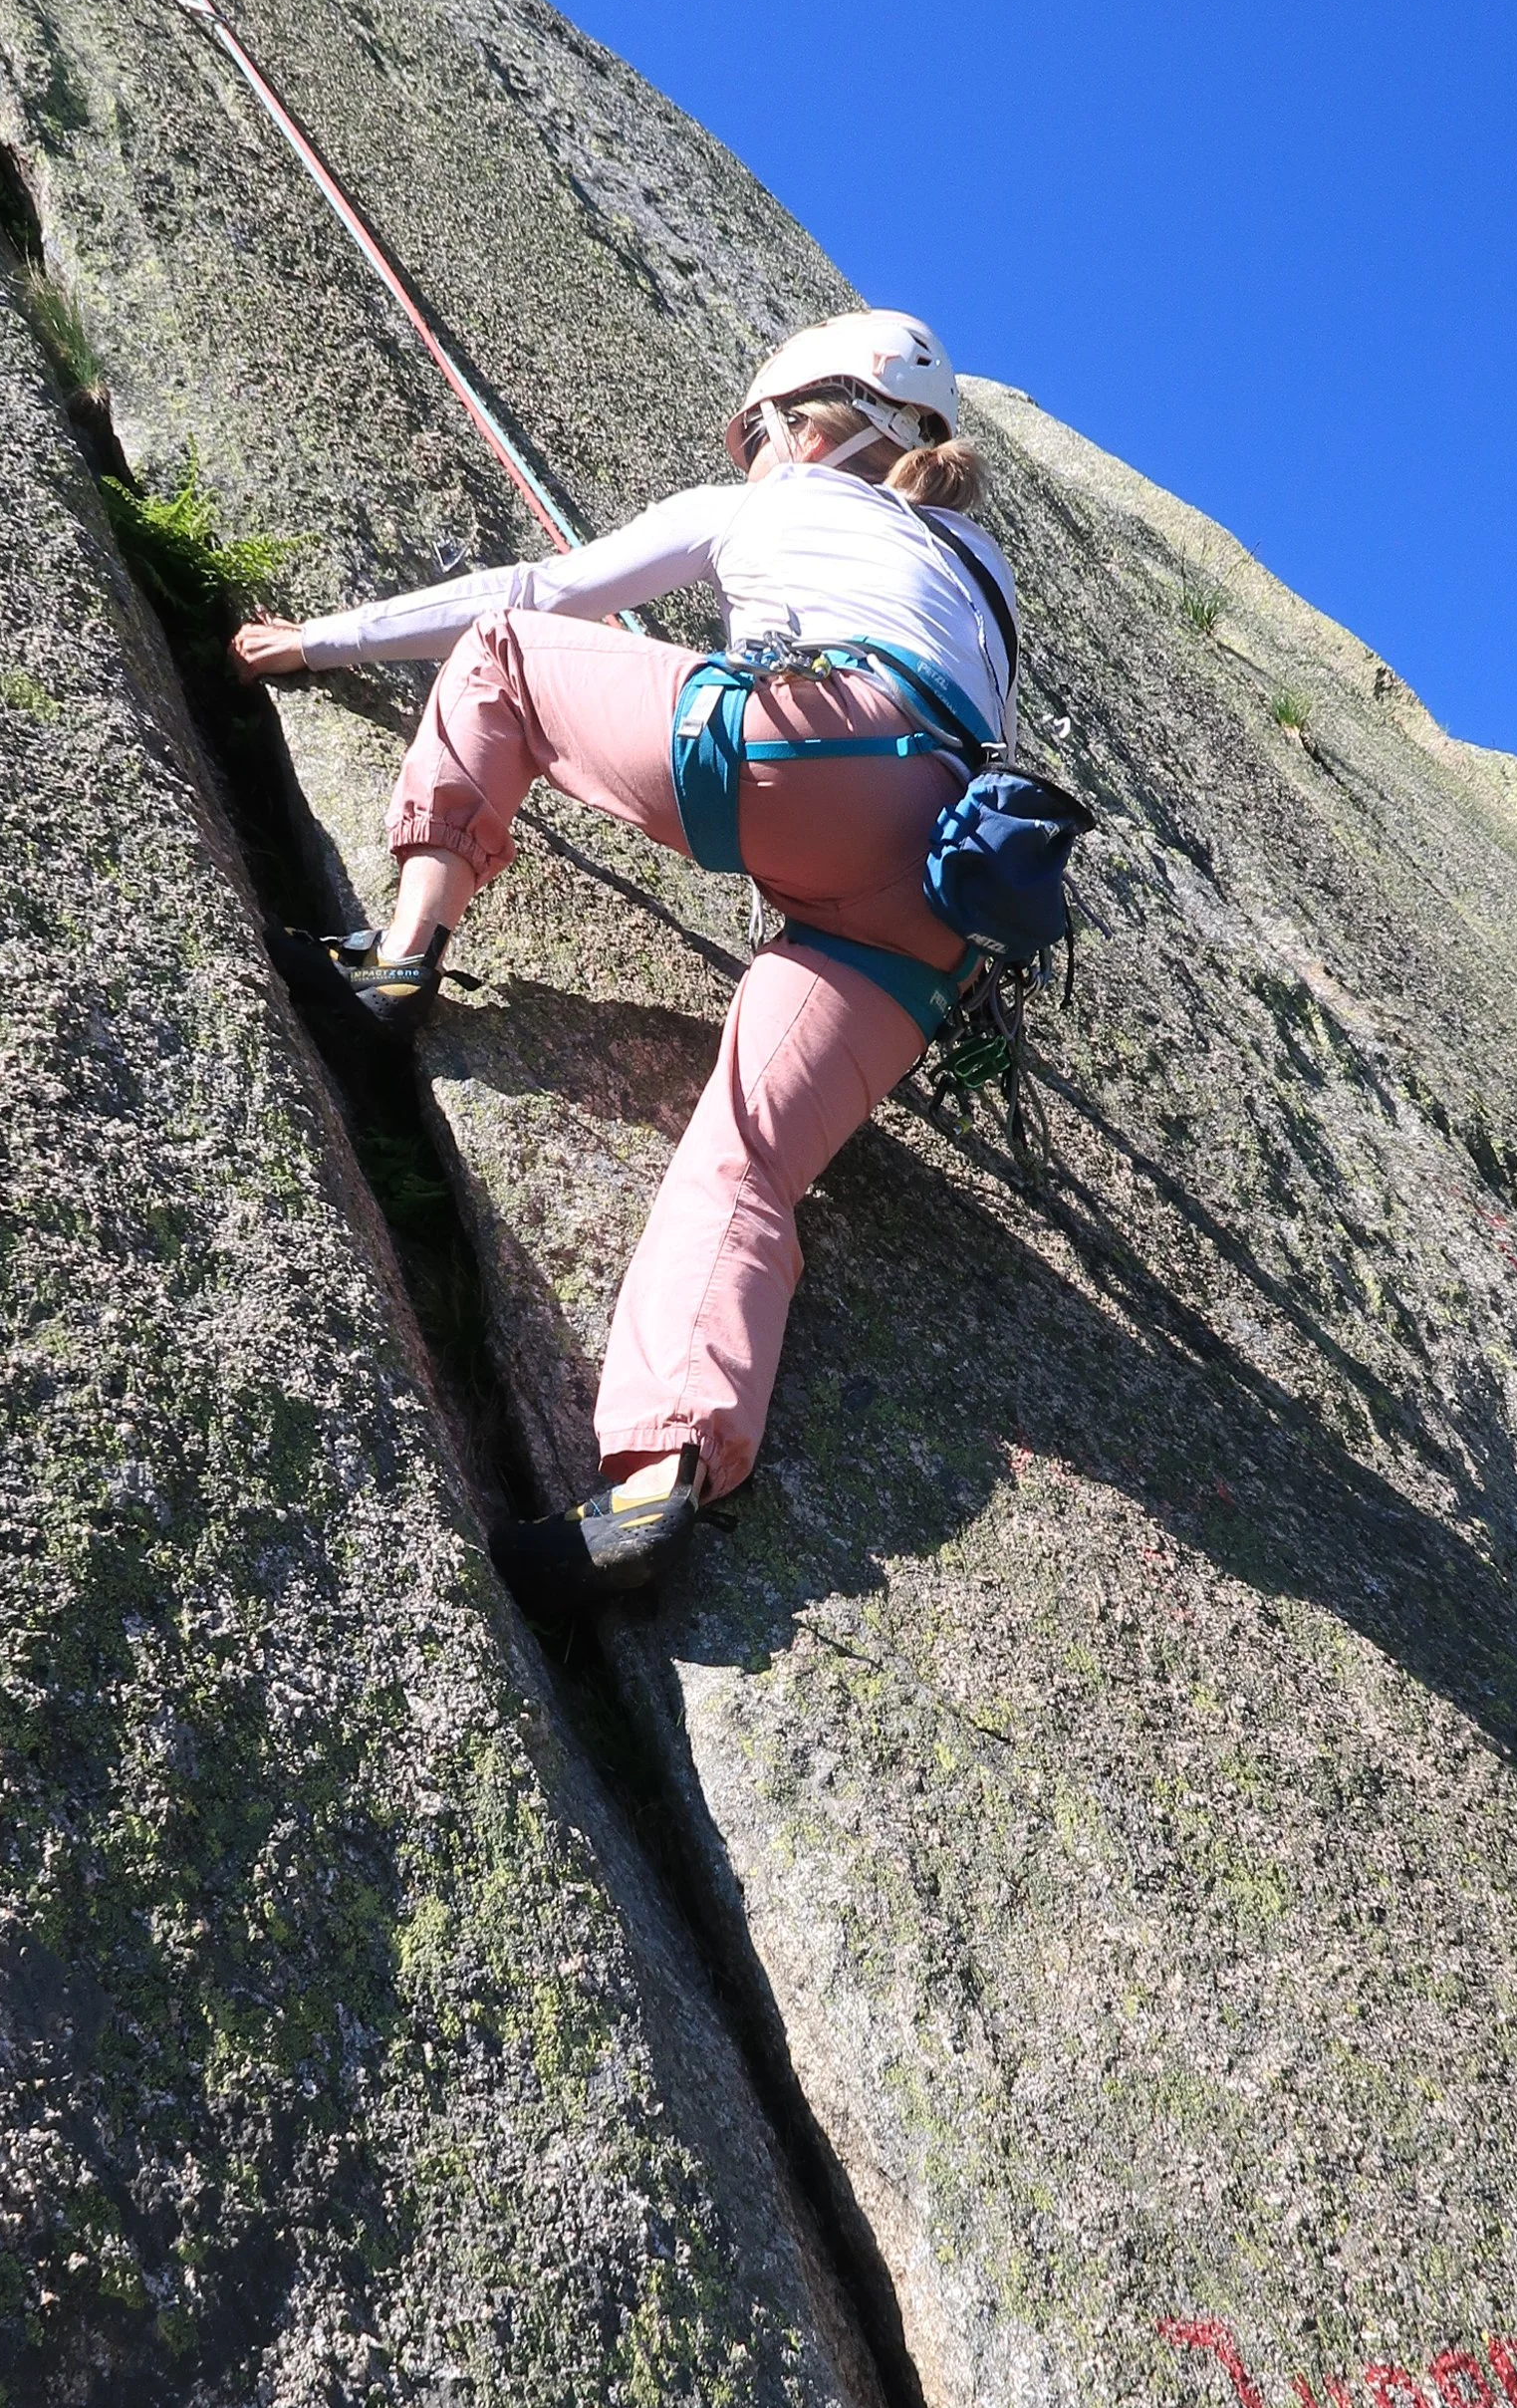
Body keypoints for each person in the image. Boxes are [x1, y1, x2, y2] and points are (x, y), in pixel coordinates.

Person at [232, 312, 1018, 1618]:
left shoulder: (770, 500)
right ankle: (656, 1488)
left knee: (510, 665)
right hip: (934, 891)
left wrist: (310, 642)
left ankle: (400, 954)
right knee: (749, 1160)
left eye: (752, 430)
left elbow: (528, 600)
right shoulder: (982, 570)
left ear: (814, 427)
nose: (745, 451)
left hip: (811, 755)